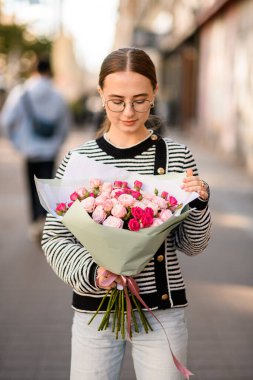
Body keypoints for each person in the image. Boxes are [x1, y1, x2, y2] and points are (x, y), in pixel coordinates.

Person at [41, 47, 211, 380]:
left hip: (162, 312)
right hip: (94, 311)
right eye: (117, 100)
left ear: (155, 93)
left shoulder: (176, 156)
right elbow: (55, 238)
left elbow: (192, 246)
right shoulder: (77, 160)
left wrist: (200, 204)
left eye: (140, 100)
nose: (129, 112)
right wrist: (94, 273)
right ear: (101, 93)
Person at [0, 57, 71, 242]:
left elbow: (6, 121)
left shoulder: (22, 92)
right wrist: (57, 143)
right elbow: (65, 124)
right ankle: (46, 223)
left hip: (29, 151)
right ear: (49, 70)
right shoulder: (57, 94)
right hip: (50, 150)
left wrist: (17, 143)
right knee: (47, 189)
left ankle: (34, 224)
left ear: (33, 70)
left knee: (32, 188)